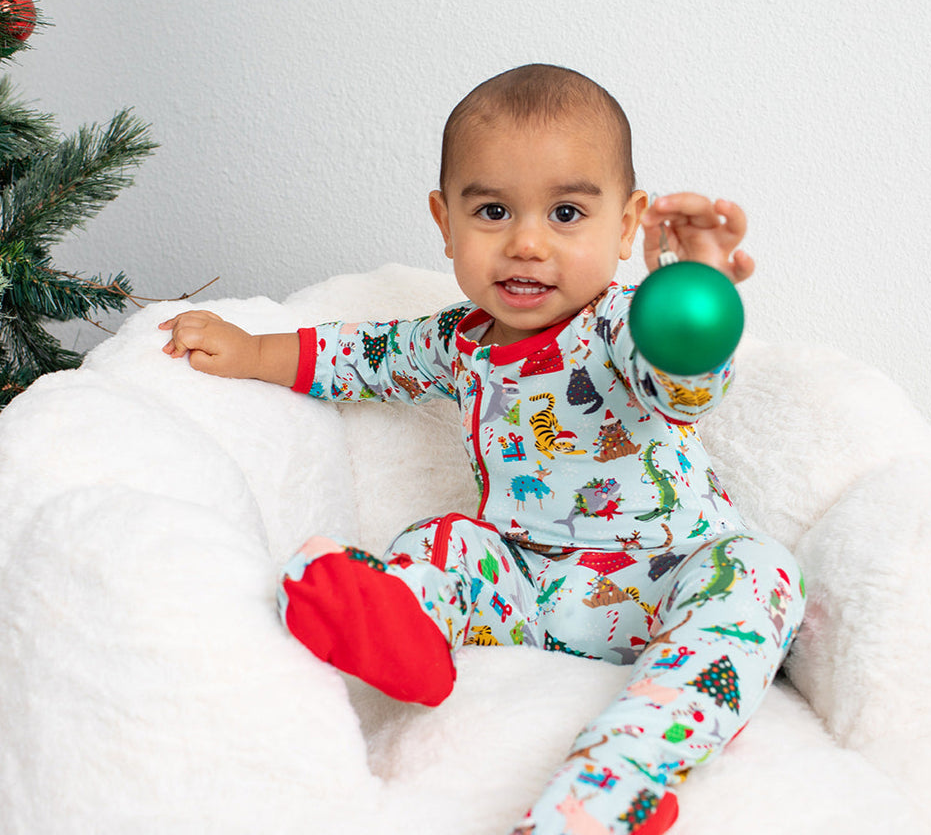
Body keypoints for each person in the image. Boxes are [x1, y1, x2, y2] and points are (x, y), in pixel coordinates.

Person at [160, 64, 805, 835]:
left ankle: (621, 775)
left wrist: (697, 292)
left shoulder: (624, 326)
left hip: (670, 577)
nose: (526, 243)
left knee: (760, 575)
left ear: (627, 225)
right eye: (493, 211)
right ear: (444, 222)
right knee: (449, 538)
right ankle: (408, 628)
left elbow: (683, 386)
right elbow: (360, 357)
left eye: (567, 212)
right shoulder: (457, 341)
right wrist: (251, 349)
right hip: (528, 589)